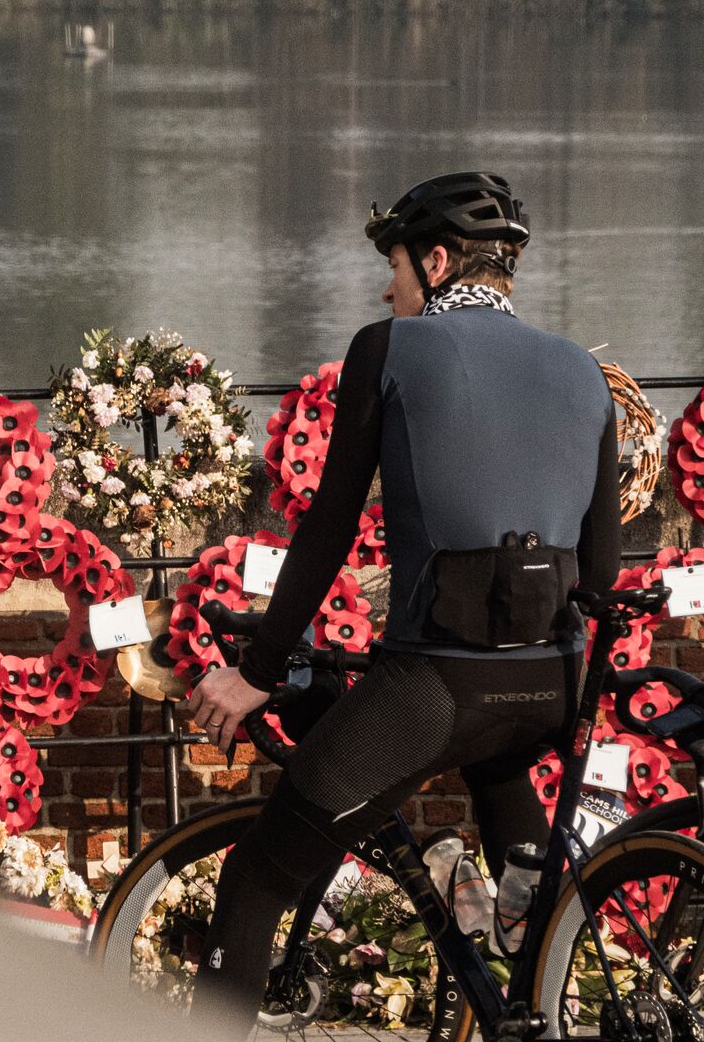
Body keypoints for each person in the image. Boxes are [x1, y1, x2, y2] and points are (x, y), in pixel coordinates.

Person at [185, 171, 622, 1031]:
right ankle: (525, 992)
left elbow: (328, 529)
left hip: (439, 682)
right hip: (553, 677)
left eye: (394, 267)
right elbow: (602, 572)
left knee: (258, 877)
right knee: (517, 868)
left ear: (435, 259)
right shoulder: (584, 369)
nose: (388, 290)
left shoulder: (390, 347)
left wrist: (259, 670)